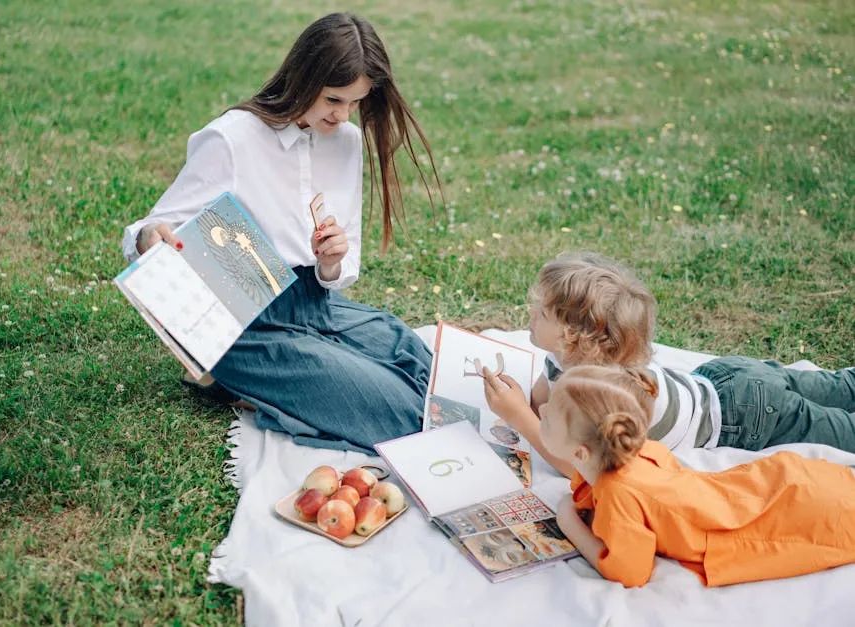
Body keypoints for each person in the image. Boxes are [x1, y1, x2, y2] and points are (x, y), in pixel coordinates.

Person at [121, 13, 441, 453]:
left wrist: (331, 261)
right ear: (304, 78)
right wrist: (149, 237)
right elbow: (148, 230)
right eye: (333, 99)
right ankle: (235, 378)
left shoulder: (345, 141)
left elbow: (339, 273)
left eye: (355, 102)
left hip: (316, 306)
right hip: (248, 325)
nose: (343, 115)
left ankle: (256, 389)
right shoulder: (234, 139)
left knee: (423, 368)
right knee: (401, 413)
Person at [482, 251, 855, 476]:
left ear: (576, 336)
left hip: (745, 419)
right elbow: (544, 396)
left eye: (543, 313)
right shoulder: (568, 357)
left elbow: (574, 465)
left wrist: (519, 418)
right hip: (728, 378)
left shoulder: (600, 395)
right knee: (841, 387)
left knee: (843, 431)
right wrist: (522, 402)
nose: (530, 314)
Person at [519, 364, 855, 587]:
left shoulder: (618, 493)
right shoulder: (641, 450)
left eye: (546, 420)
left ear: (581, 453)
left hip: (801, 515)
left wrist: (568, 522)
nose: (542, 411)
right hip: (787, 483)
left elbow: (630, 571)